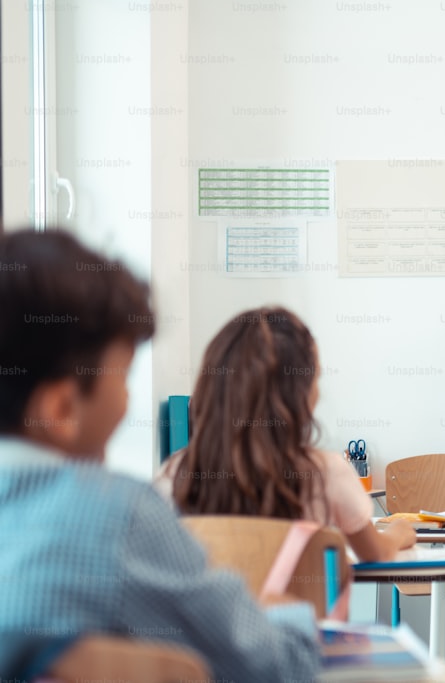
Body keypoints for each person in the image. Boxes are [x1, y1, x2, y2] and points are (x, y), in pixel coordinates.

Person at [0, 230, 318, 680]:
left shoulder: (170, 476)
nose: (128, 400)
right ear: (63, 409)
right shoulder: (116, 516)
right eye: (124, 377)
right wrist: (290, 618)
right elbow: (270, 667)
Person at [154, 305, 416, 562]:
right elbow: (376, 554)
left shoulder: (174, 475)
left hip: (207, 608)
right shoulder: (326, 472)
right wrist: (398, 532)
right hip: (297, 606)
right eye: (315, 378)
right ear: (300, 397)